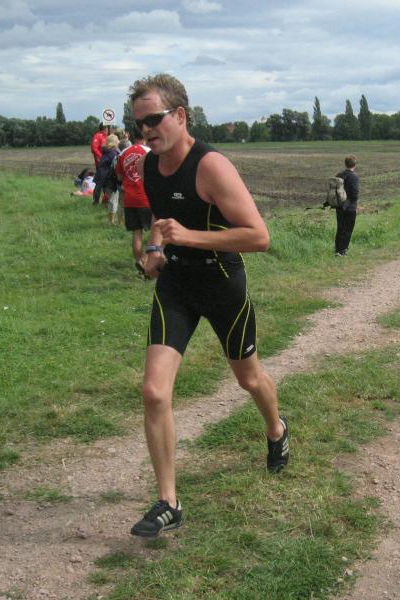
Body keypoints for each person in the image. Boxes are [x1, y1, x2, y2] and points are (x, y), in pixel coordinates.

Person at [128, 73, 289, 538]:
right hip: (176, 285)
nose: (147, 131)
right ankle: (169, 502)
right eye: (140, 124)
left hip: (222, 285)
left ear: (180, 115)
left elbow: (259, 237)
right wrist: (154, 252)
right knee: (154, 392)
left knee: (249, 378)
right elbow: (163, 225)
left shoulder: (211, 166)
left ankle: (276, 430)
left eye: (154, 120)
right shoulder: (148, 167)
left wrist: (188, 237)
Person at [115, 132, 152, 267]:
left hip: (129, 199)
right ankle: (147, 259)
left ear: (133, 137)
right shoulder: (149, 151)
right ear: (145, 137)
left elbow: (119, 176)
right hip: (146, 198)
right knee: (155, 231)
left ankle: (139, 262)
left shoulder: (123, 153)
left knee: (136, 233)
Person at [333, 155, 360, 257]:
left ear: (345, 164)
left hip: (339, 207)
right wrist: (356, 204)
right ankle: (343, 251)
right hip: (350, 208)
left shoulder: (339, 175)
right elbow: (354, 194)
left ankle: (337, 250)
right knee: (348, 229)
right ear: (354, 164)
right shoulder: (354, 177)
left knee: (340, 228)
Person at [92, 134, 119, 206]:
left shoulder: (106, 151)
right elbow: (115, 165)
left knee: (99, 191)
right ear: (114, 143)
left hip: (101, 174)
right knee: (109, 193)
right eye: (117, 141)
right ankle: (104, 204)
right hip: (106, 175)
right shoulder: (113, 153)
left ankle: (97, 203)